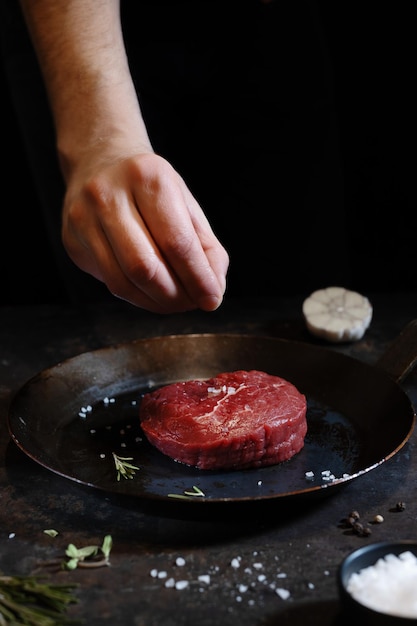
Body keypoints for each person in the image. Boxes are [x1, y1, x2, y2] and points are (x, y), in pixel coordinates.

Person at [0, 1, 360, 312]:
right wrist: (103, 140)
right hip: (85, 23)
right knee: (121, 282)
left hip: (270, 22)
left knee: (300, 297)